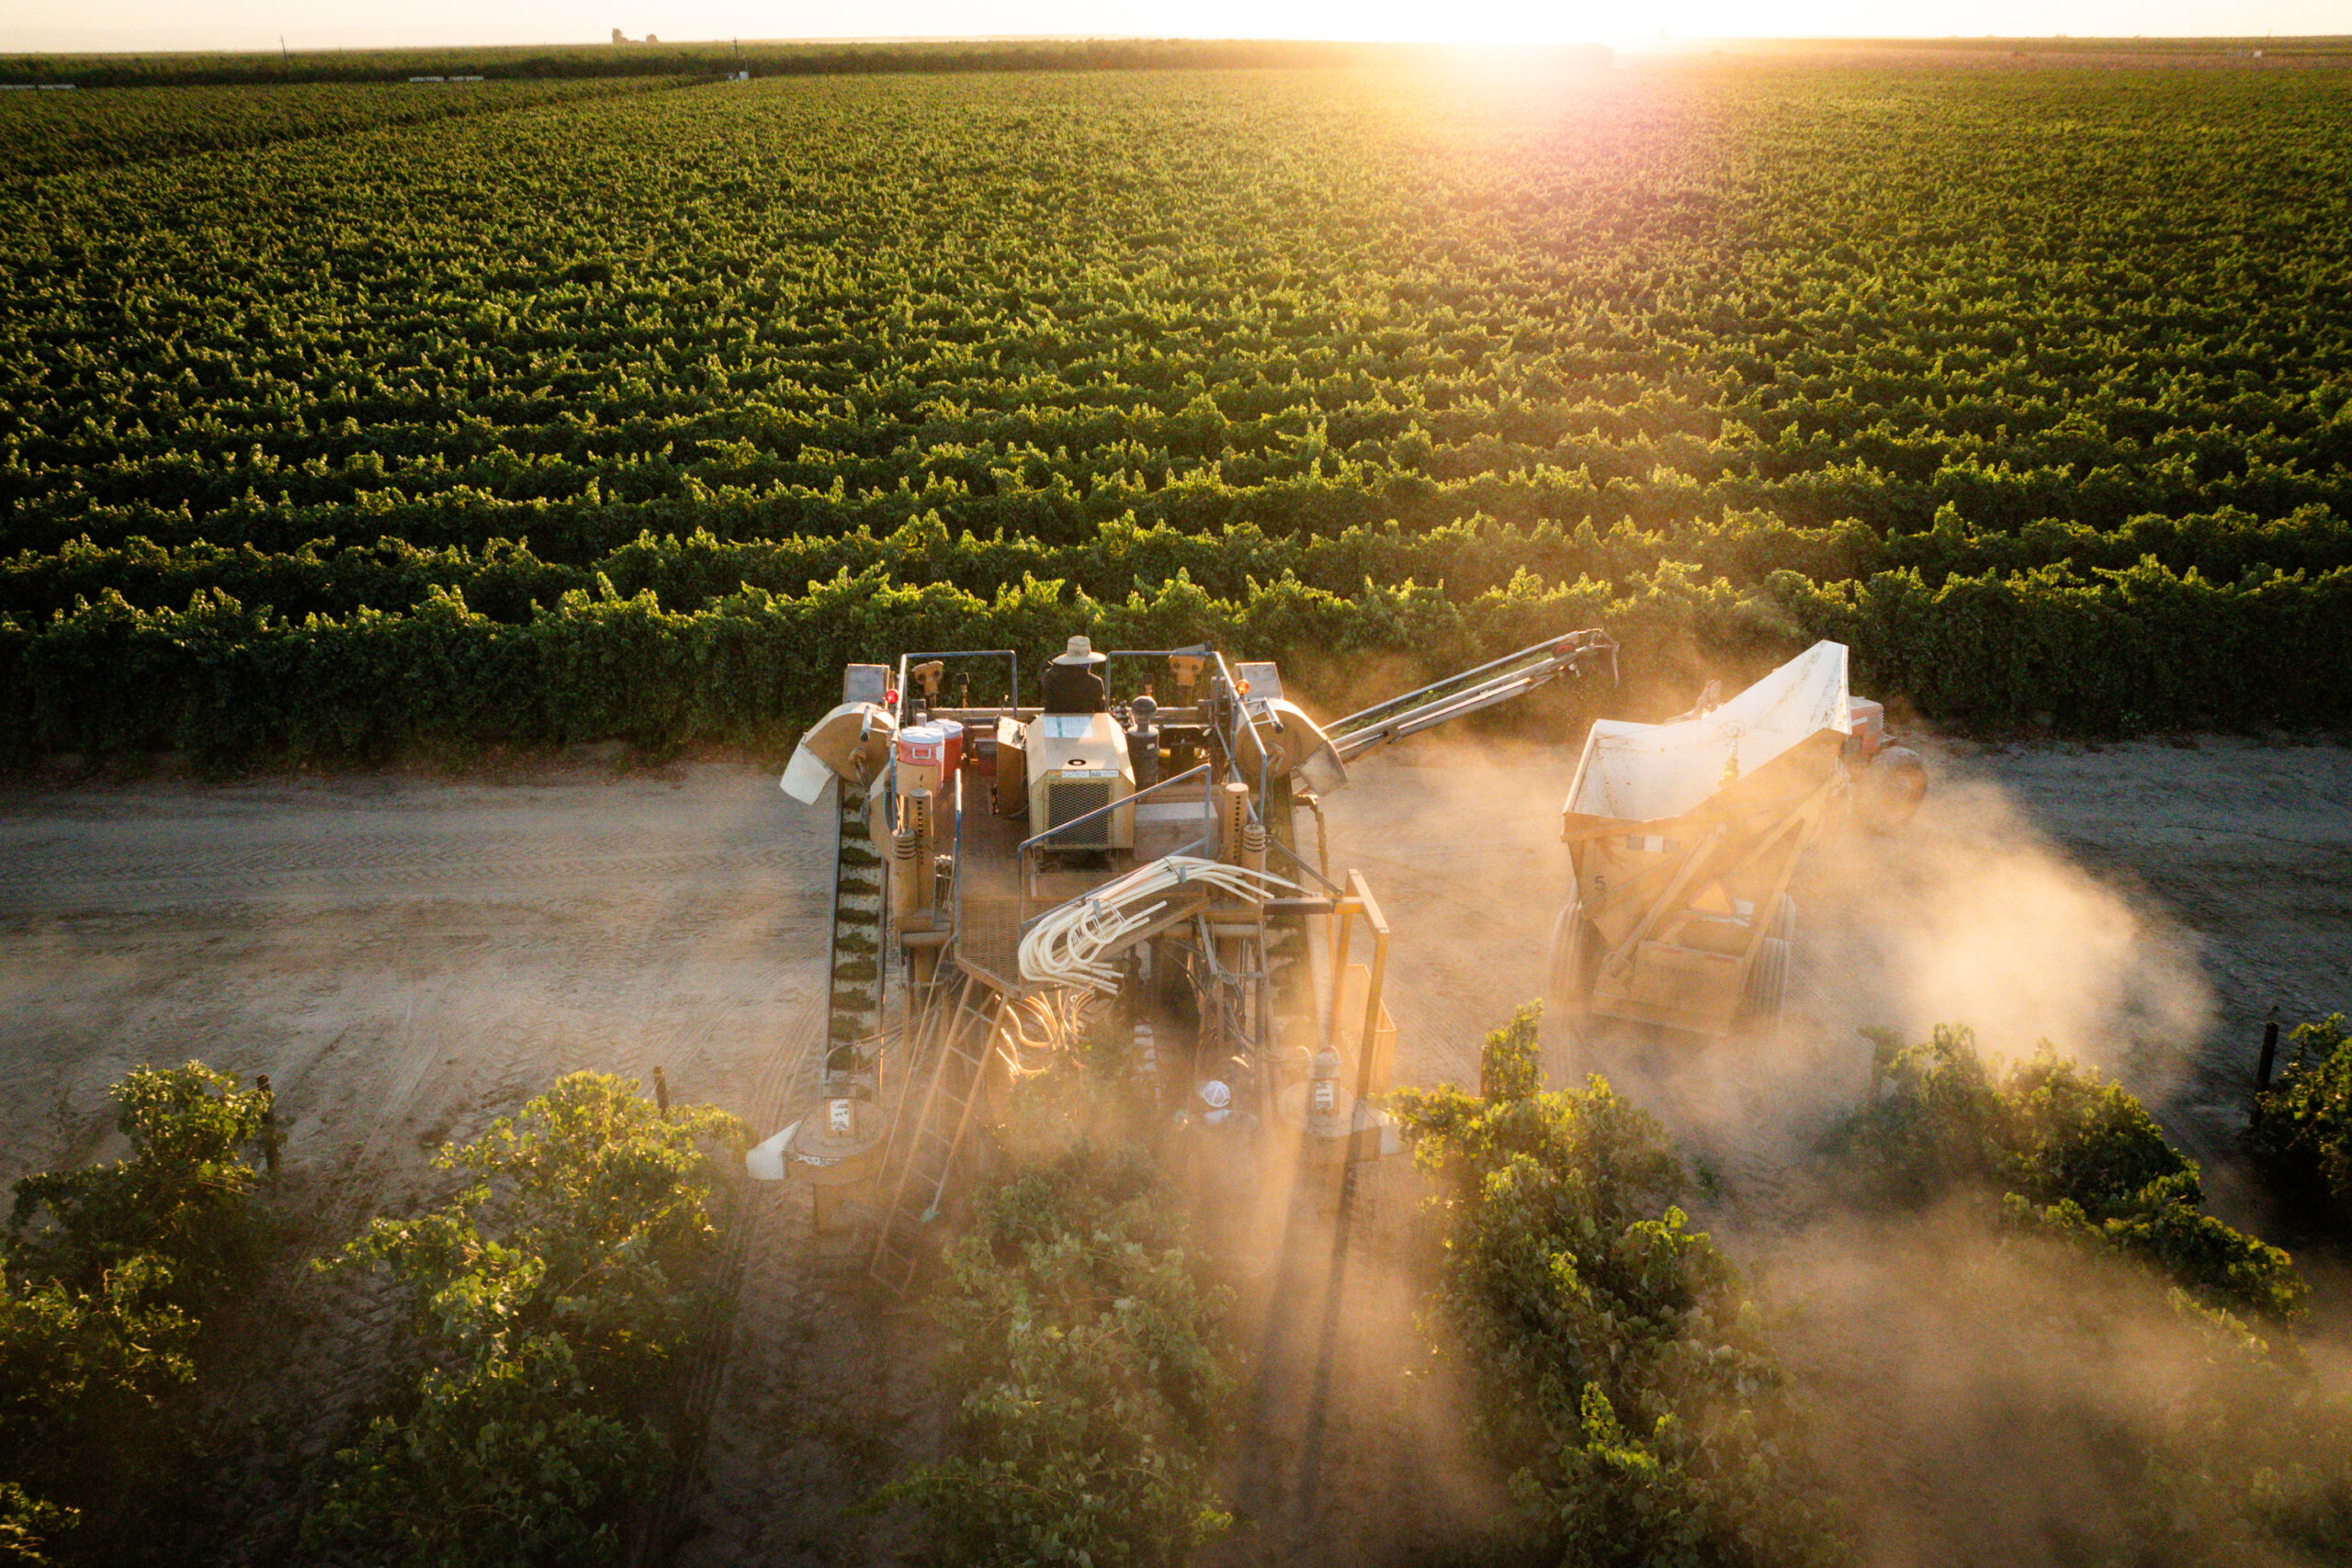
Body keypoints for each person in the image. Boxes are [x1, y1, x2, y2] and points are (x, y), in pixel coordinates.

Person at [1041, 634, 1109, 715]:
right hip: (1085, 726)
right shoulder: (1095, 683)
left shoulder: (1050, 677)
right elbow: (1100, 714)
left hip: (1053, 724)